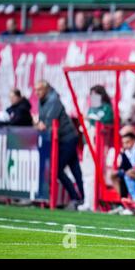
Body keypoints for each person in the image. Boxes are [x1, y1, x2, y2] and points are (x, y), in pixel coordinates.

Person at [34, 80, 84, 210]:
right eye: (36, 90)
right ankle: (81, 198)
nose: (37, 93)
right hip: (65, 139)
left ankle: (76, 198)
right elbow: (41, 120)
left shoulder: (53, 100)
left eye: (39, 89)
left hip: (67, 138)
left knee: (56, 169)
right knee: (75, 169)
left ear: (45, 89)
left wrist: (39, 124)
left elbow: (46, 123)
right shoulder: (43, 100)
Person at [78, 85, 114, 212]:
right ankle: (87, 201)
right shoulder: (91, 108)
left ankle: (95, 202)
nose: (93, 98)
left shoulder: (106, 108)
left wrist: (92, 121)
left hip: (100, 145)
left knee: (95, 174)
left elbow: (107, 121)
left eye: (95, 95)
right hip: (88, 144)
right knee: (87, 173)